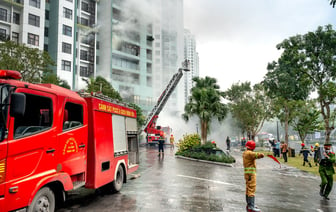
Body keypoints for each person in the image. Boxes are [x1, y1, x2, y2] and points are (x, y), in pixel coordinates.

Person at [243, 140, 264, 212]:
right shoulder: (249, 153)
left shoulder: (245, 152)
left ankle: (249, 205)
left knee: (248, 188)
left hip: (247, 174)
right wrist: (262, 155)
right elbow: (256, 155)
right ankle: (251, 207)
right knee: (252, 188)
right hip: (251, 174)